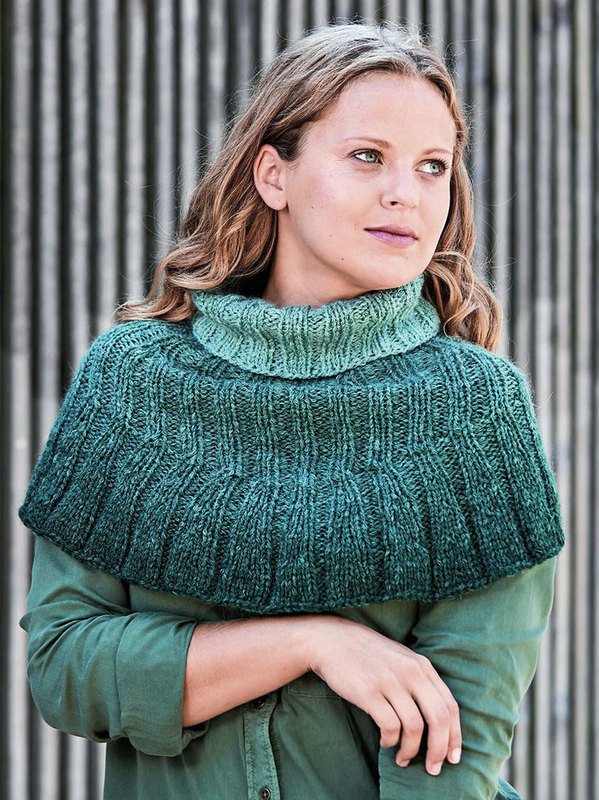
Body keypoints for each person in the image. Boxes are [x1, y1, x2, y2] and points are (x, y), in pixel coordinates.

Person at [18, 20, 564, 800]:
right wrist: (311, 643)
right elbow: (66, 670)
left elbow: (458, 743)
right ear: (273, 175)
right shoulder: (131, 382)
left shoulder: (475, 410)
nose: (405, 193)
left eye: (432, 166)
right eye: (367, 155)